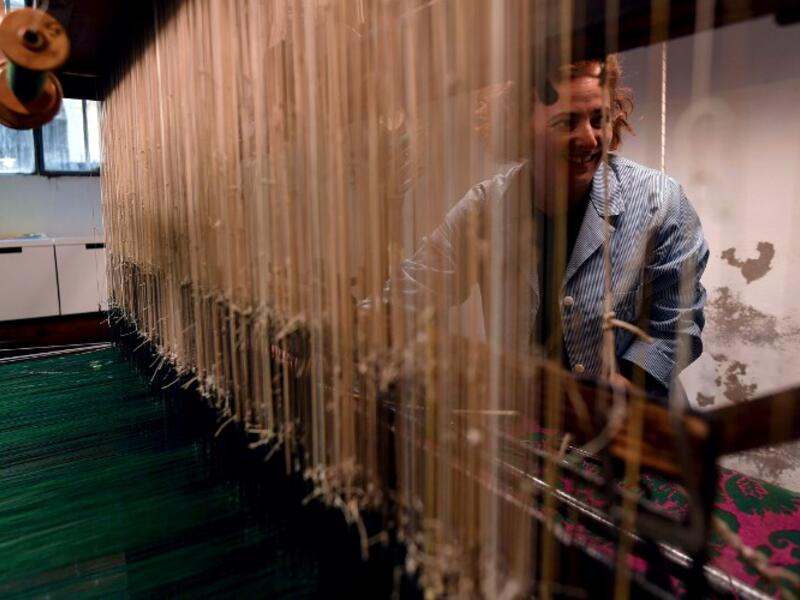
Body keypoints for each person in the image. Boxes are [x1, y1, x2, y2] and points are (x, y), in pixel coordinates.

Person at [371, 56, 708, 400]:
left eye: (599, 120)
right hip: (529, 421)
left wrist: (616, 392)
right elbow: (409, 292)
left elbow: (678, 325)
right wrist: (360, 326)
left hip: (636, 420)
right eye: (566, 123)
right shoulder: (484, 210)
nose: (589, 139)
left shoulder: (660, 202)